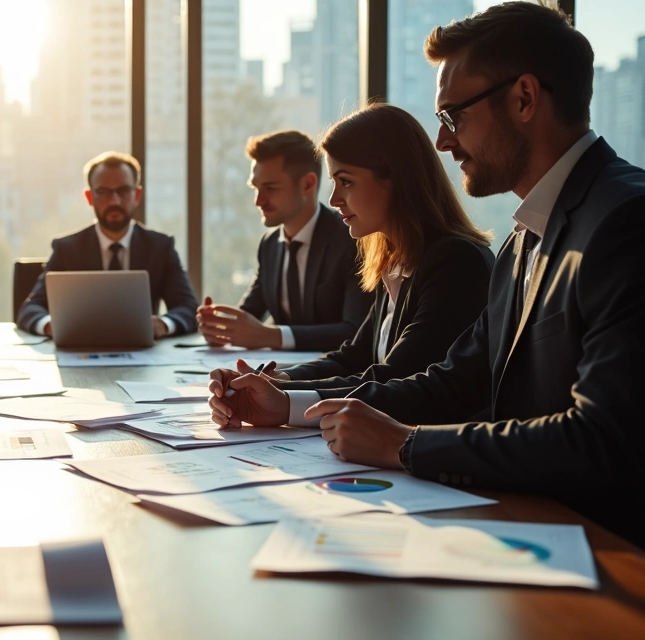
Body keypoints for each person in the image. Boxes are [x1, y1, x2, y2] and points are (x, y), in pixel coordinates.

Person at [209, 2, 645, 546]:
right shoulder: (520, 243)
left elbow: (601, 440)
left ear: (525, 99)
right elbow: (452, 380)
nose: (443, 142)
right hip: (530, 531)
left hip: (609, 557)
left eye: (453, 116)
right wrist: (288, 403)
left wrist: (405, 445)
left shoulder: (625, 222)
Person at [214, 104, 494, 394]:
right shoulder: (395, 260)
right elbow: (352, 357)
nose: (334, 199)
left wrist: (284, 400)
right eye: (334, 182)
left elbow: (394, 377)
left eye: (345, 182)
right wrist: (274, 381)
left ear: (395, 179)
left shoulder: (455, 263)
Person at [197, 131, 373, 352]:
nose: (258, 201)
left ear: (308, 184)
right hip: (282, 374)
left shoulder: (351, 239)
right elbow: (250, 315)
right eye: (255, 188)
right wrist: (220, 328)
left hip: (337, 379)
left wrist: (272, 336)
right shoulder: (269, 245)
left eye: (270, 188)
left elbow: (355, 331)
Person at [17, 151, 199, 338]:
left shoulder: (160, 247)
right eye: (103, 192)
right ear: (89, 197)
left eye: (123, 191)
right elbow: (30, 309)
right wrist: (50, 325)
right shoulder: (67, 249)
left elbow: (188, 308)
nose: (114, 201)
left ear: (137, 195)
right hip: (80, 352)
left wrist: (163, 324)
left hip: (145, 355)